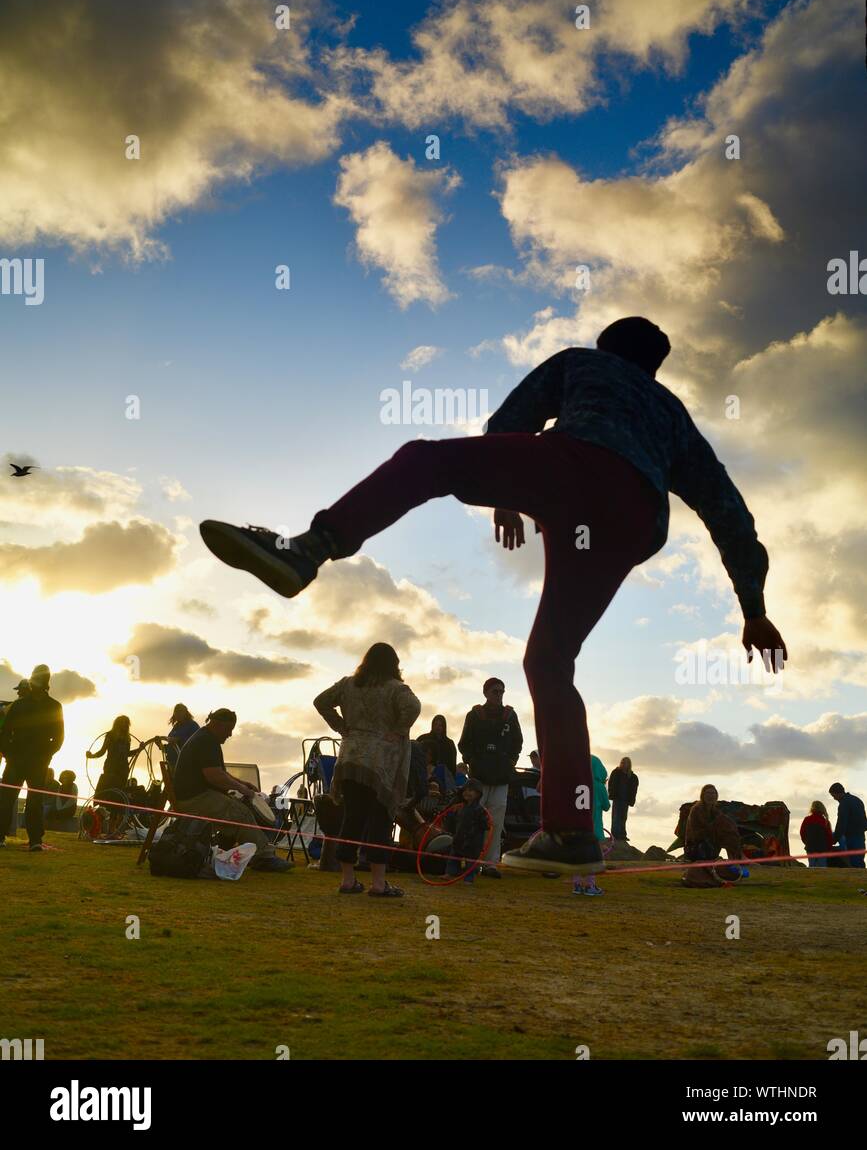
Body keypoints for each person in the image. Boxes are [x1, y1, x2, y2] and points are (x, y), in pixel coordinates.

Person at [199, 315, 786, 876]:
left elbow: (512, 418)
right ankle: (573, 833)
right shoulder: (672, 414)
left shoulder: (583, 363)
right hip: (633, 517)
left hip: (571, 469)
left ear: (607, 349)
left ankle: (311, 547)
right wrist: (753, 608)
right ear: (654, 368)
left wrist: (505, 492)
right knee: (550, 664)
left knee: (428, 461)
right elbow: (728, 509)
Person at [313, 642, 421, 898]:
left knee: (351, 818)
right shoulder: (396, 689)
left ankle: (348, 880)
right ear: (393, 664)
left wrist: (340, 726)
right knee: (380, 821)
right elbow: (414, 707)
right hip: (379, 763)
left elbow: (321, 701)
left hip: (350, 758)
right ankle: (378, 883)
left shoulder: (349, 684)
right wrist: (398, 729)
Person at [173, 708, 289, 872]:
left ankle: (223, 851)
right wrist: (244, 789)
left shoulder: (206, 738)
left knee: (235, 810)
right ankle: (264, 857)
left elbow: (219, 773)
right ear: (216, 725)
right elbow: (214, 777)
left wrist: (243, 784)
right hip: (194, 799)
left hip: (195, 795)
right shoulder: (206, 741)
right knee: (241, 813)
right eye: (228, 729)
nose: (230, 734)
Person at [458, 679, 522, 877]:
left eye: (502, 691)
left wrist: (509, 761)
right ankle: (469, 861)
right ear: (486, 692)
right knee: (473, 820)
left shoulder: (510, 716)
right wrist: (472, 761)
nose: (499, 695)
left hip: (501, 777)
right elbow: (464, 743)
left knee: (496, 822)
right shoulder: (475, 715)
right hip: (479, 778)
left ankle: (491, 863)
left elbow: (517, 742)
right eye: (495, 691)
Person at [0, 664, 65, 851]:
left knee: (35, 801)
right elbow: (5, 731)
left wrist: (47, 755)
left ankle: (35, 839)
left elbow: (59, 737)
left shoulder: (54, 706)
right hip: (16, 760)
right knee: (6, 799)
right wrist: (8, 752)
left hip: (38, 762)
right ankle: (0, 835)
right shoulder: (19, 705)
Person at [682, 785, 744, 888]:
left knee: (730, 833)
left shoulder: (715, 811)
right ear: (703, 795)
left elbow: (726, 823)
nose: (711, 796)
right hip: (696, 847)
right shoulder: (696, 810)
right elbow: (698, 833)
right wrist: (717, 829)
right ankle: (735, 861)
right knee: (723, 831)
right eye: (708, 793)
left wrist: (729, 829)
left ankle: (735, 860)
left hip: (711, 844)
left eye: (713, 793)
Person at [444, 778, 489, 884]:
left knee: (470, 861)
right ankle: (450, 873)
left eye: (471, 790)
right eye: (465, 790)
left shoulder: (479, 810)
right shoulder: (460, 808)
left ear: (478, 794)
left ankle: (468, 878)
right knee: (453, 857)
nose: (467, 793)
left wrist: (486, 823)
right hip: (459, 838)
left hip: (473, 841)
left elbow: (485, 825)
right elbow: (454, 821)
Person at [86, 716, 135, 796]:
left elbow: (127, 754)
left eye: (126, 723)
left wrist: (139, 749)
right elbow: (102, 751)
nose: (125, 725)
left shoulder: (127, 739)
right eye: (123, 722)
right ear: (118, 724)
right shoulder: (110, 735)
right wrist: (92, 756)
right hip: (111, 767)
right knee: (109, 790)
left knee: (119, 792)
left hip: (123, 769)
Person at [829, 782, 867, 869]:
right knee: (860, 862)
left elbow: (841, 824)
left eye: (833, 795)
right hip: (861, 836)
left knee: (853, 863)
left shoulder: (843, 804)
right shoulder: (857, 800)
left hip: (850, 837)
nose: (834, 798)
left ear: (837, 793)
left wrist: (834, 839)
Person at [415, 715, 458, 791]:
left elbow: (452, 764)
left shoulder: (449, 743)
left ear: (444, 727)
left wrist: (451, 779)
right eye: (436, 724)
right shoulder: (423, 739)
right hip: (423, 775)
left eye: (440, 725)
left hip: (442, 776)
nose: (438, 727)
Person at [607, 757, 638, 840]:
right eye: (623, 762)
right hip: (617, 798)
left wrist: (631, 800)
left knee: (623, 817)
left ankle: (622, 835)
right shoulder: (616, 772)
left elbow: (634, 789)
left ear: (629, 764)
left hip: (625, 800)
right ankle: (615, 835)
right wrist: (611, 793)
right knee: (616, 817)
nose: (624, 764)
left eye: (626, 762)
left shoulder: (632, 776)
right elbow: (610, 784)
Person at [800, 801, 834, 868]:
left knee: (812, 865)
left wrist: (807, 843)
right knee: (822, 866)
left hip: (810, 847)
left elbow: (802, 833)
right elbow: (829, 836)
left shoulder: (807, 820)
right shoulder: (825, 821)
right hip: (822, 848)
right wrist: (829, 848)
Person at [165, 704, 199, 769]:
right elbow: (171, 747)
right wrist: (161, 746)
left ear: (185, 713)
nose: (178, 714)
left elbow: (197, 743)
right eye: (176, 712)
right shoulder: (176, 727)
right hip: (172, 763)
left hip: (186, 765)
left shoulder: (193, 725)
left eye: (180, 712)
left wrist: (179, 740)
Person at [591, 755, 610, 845]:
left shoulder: (578, 783)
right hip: (596, 831)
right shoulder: (599, 787)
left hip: (580, 830)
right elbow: (607, 807)